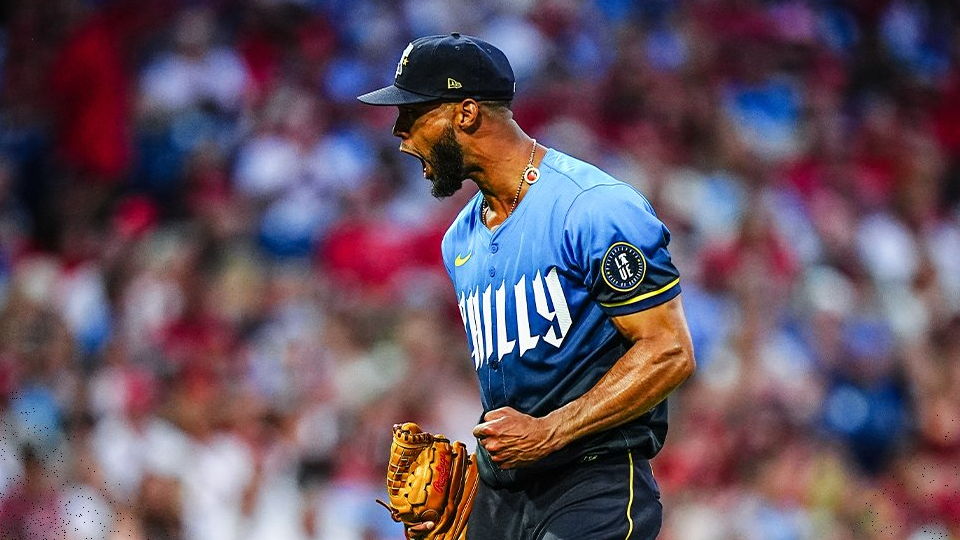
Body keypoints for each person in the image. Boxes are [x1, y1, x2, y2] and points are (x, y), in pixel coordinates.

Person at [357, 33, 696, 540]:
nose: (400, 135)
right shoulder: (458, 241)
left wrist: (550, 431)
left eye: (413, 114)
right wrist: (479, 488)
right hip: (504, 497)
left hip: (593, 484)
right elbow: (518, 392)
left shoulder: (593, 208)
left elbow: (669, 350)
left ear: (466, 113)